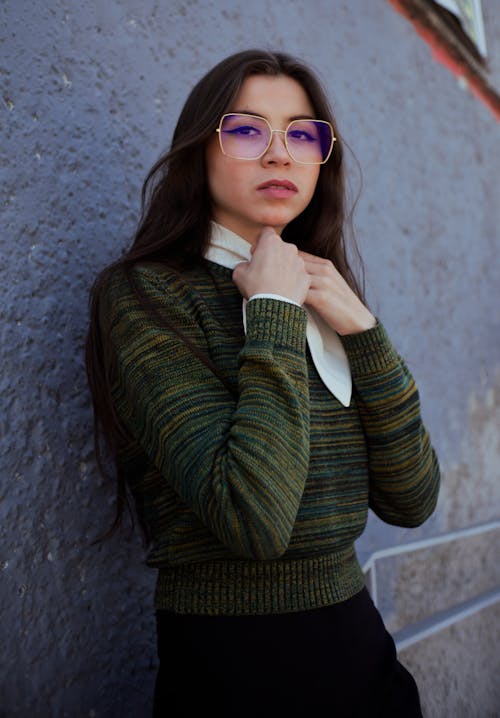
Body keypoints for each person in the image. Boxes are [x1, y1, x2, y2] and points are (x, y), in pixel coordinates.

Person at [86, 49, 440, 717]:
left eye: (302, 134)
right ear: (201, 151)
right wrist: (271, 313)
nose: (280, 154)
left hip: (365, 657)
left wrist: (366, 335)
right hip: (236, 669)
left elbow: (413, 499)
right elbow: (255, 518)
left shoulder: (324, 295)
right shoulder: (147, 296)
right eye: (247, 129)